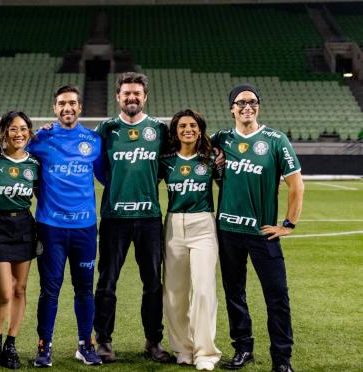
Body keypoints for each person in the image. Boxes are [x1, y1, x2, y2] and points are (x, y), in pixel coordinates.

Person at [212, 84, 304, 372]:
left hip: (262, 234)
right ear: (231, 108)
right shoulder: (220, 139)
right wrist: (216, 165)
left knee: (277, 296)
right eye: (240, 103)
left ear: (258, 107)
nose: (247, 107)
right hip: (227, 231)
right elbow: (208, 169)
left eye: (252, 102)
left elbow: (296, 185)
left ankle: (282, 360)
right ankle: (242, 348)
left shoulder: (276, 140)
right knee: (234, 292)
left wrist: (288, 223)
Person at [93, 72, 171, 363]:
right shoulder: (106, 128)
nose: (132, 98)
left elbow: (167, 168)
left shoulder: (159, 131)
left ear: (145, 97)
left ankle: (153, 341)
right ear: (118, 97)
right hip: (114, 218)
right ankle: (104, 340)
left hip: (149, 218)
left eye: (137, 93)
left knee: (152, 282)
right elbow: (98, 168)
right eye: (126, 93)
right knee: (107, 281)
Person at [29, 85, 104, 367]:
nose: (67, 108)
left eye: (72, 103)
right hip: (51, 227)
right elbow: (13, 148)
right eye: (62, 104)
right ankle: (43, 346)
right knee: (50, 289)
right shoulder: (41, 138)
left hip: (85, 228)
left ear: (80, 107)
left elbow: (105, 176)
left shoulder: (93, 141)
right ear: (54, 108)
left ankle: (86, 344)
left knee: (85, 289)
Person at [159, 109, 221, 371]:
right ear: (175, 131)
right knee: (174, 293)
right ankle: (183, 348)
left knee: (204, 290)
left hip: (203, 225)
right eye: (182, 125)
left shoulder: (211, 160)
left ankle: (205, 352)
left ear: (200, 129)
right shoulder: (166, 161)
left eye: (193, 125)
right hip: (173, 225)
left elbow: (230, 186)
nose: (188, 129)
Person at [0, 111, 39, 370]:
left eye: (23, 129)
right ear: (4, 132)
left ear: (29, 132)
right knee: (4, 292)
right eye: (13, 129)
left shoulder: (34, 164)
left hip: (24, 226)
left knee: (20, 289)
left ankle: (11, 344)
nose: (19, 134)